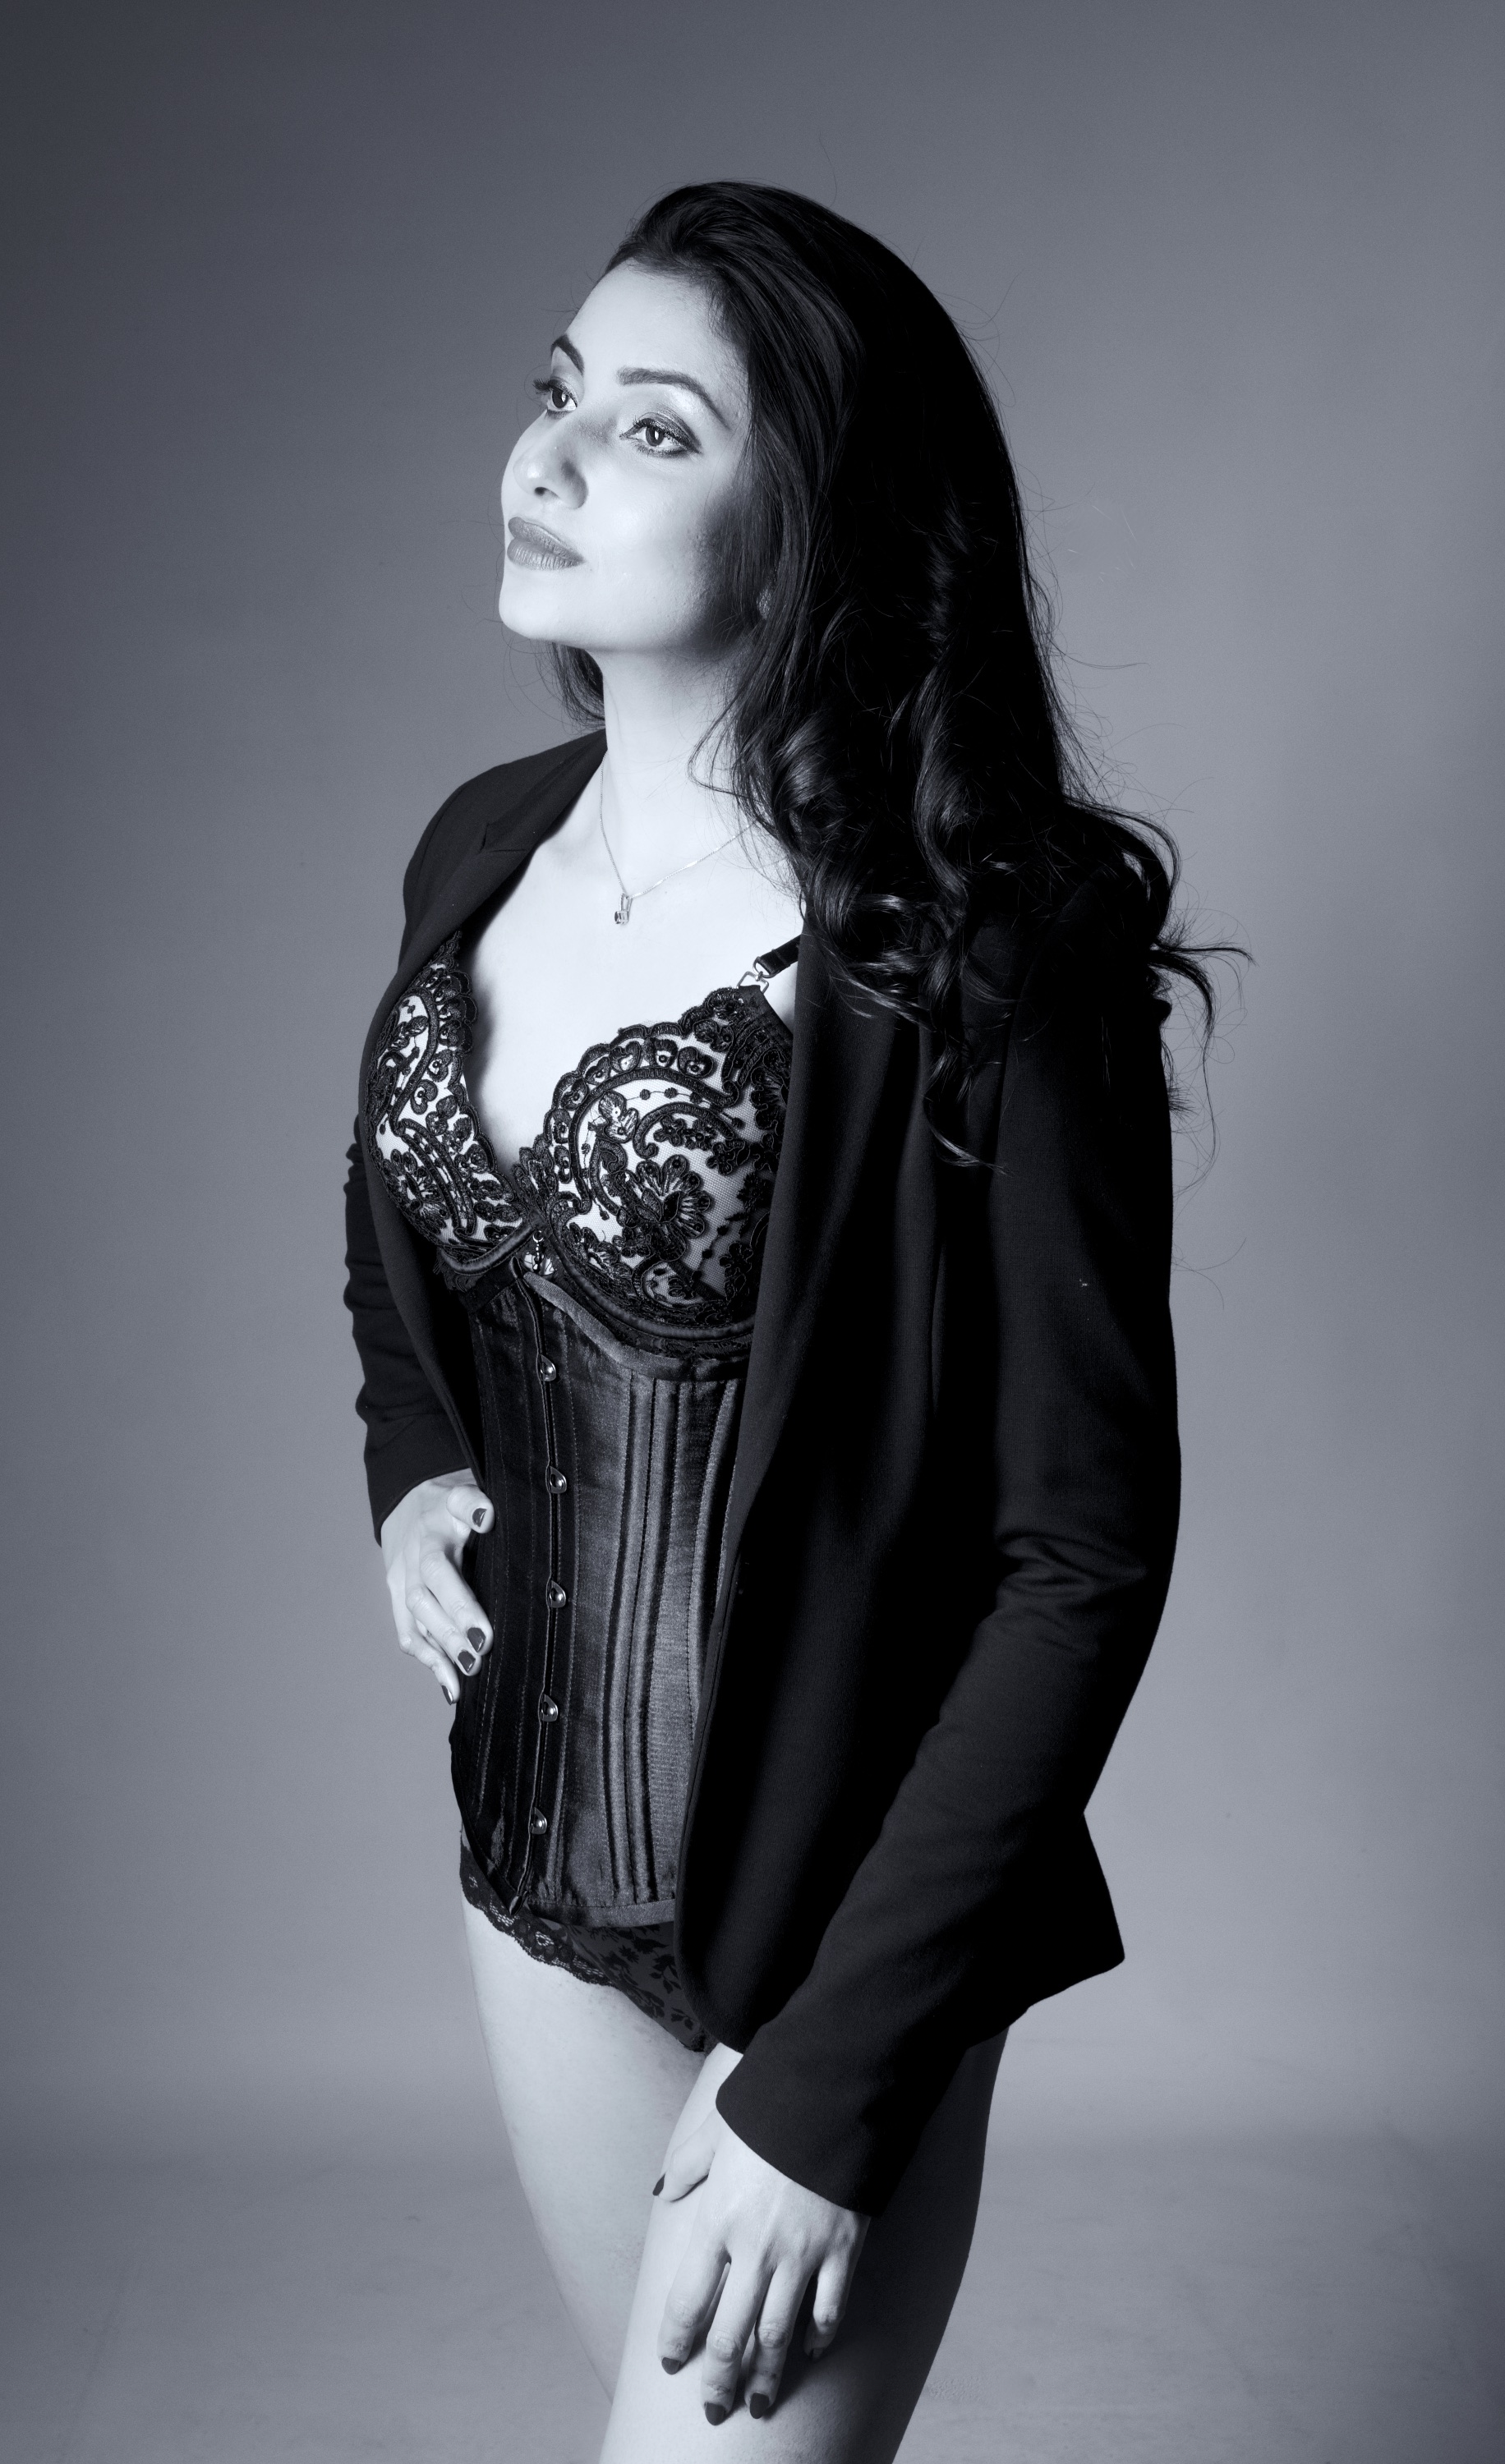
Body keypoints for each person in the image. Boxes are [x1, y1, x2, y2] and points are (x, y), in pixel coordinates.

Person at [343, 182, 1203, 2460]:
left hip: (837, 1921)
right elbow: (408, 1250)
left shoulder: (986, 950)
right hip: (529, 1873)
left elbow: (1081, 1557)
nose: (548, 459)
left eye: (654, 431)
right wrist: (418, 1472)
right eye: (556, 394)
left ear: (813, 523)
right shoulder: (480, 847)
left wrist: (835, 2077)